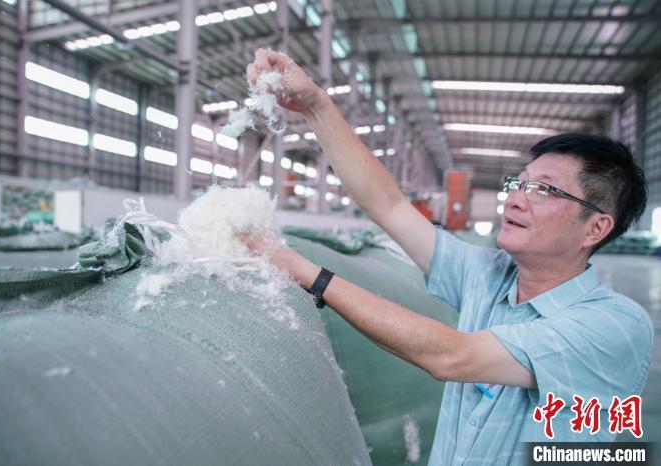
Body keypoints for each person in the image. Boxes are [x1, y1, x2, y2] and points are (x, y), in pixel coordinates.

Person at [242, 49, 653, 465]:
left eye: (544, 190)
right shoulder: (489, 275)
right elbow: (390, 207)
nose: (515, 199)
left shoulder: (614, 327)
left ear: (595, 228)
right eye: (518, 183)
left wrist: (303, 270)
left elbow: (452, 356)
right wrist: (316, 105)